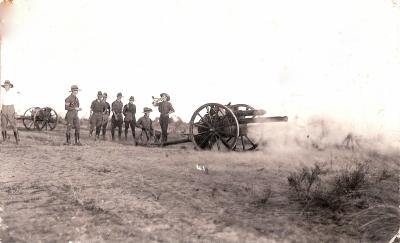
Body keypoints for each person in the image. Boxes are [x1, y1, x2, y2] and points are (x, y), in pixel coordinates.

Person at [0, 80, 20, 144]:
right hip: (4, 109)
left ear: (10, 86)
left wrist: (16, 111)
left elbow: (16, 102)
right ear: (4, 86)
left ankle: (17, 140)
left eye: (7, 85)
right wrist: (1, 110)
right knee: (3, 125)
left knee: (13, 125)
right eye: (5, 85)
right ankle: (4, 139)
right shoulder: (2, 93)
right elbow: (0, 102)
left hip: (11, 109)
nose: (6, 86)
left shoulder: (13, 93)